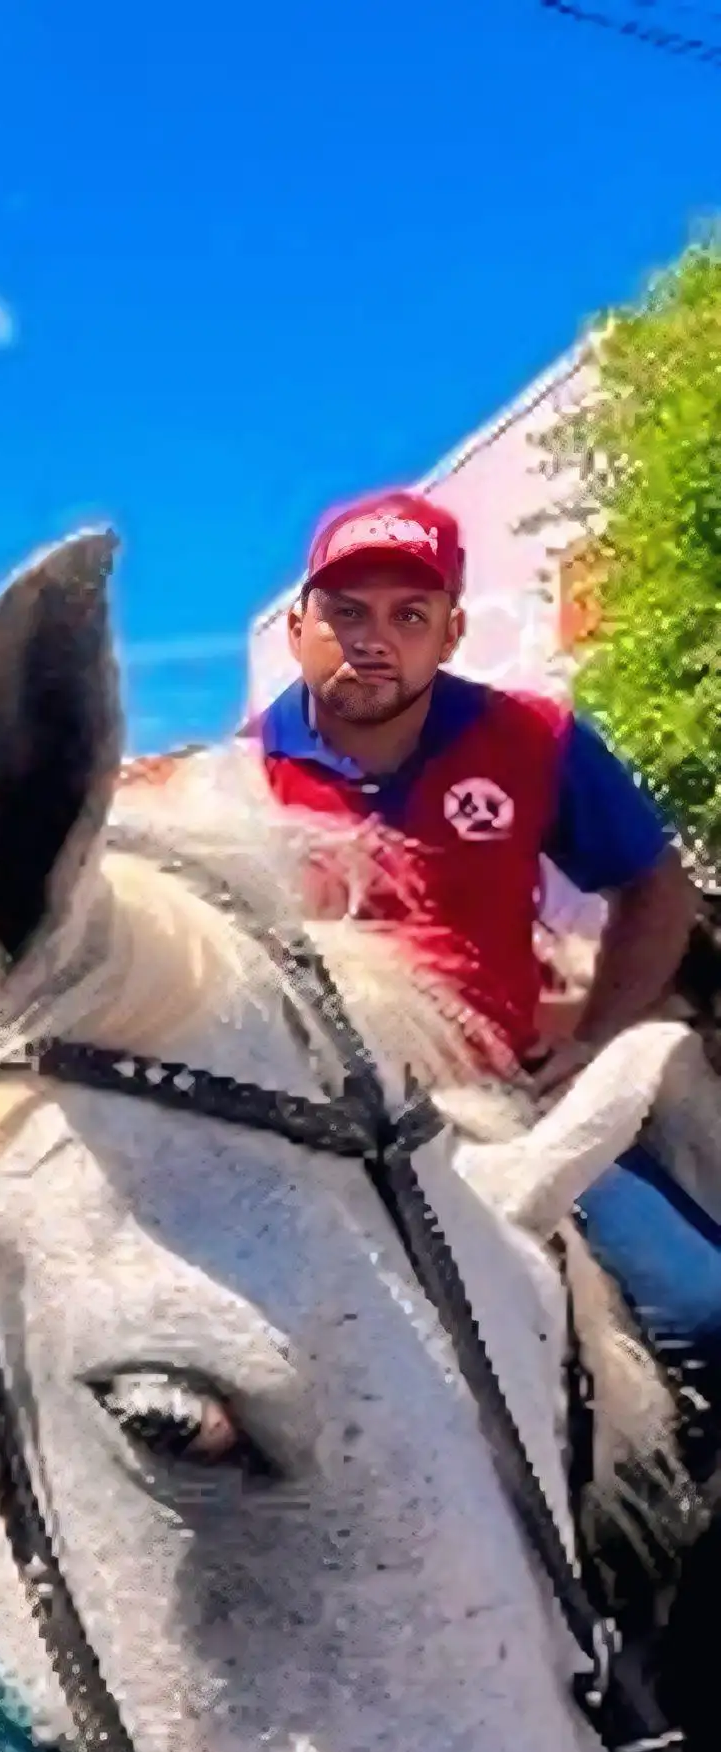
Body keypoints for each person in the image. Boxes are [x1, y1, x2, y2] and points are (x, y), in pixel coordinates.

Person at [252, 491, 706, 1351]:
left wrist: (597, 1038)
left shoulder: (535, 738)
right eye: (345, 611)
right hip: (317, 1141)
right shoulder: (234, 781)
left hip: (507, 1108)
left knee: (701, 1310)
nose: (373, 639)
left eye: (409, 614)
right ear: (298, 627)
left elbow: (654, 885)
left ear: (451, 633)